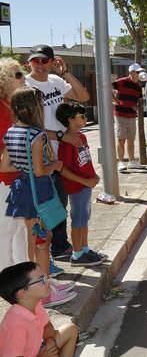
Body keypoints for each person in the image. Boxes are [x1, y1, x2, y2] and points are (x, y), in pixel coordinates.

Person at [0, 88, 76, 307]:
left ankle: (46, 285)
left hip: (22, 190)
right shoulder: (38, 135)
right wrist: (56, 165)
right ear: (34, 109)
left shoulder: (11, 132)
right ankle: (45, 291)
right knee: (43, 242)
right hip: (39, 192)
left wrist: (24, 165)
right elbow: (40, 170)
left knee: (34, 241)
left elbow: (5, 165)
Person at [25, 45, 90, 263]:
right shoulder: (26, 86)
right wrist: (61, 136)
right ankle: (51, 254)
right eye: (36, 61)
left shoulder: (56, 81)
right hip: (42, 153)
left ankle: (60, 247)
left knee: (61, 203)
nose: (40, 65)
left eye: (45, 61)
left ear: (53, 61)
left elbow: (83, 96)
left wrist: (66, 73)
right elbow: (30, 125)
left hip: (60, 153)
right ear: (30, 62)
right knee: (49, 206)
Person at [55, 102, 104, 267]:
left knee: (84, 219)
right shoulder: (67, 142)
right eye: (81, 116)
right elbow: (63, 169)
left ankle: (84, 249)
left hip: (86, 185)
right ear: (70, 120)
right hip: (77, 186)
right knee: (78, 220)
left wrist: (94, 175)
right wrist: (85, 181)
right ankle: (76, 254)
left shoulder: (81, 137)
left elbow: (86, 160)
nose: (85, 118)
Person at [0, 262, 79, 356]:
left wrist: (49, 340)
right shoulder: (15, 325)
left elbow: (47, 326)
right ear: (22, 293)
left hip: (37, 350)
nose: (48, 281)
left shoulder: (35, 304)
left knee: (71, 329)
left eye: (46, 277)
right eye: (42, 280)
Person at [0, 58, 28, 272]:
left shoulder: (14, 107)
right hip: (5, 182)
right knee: (6, 233)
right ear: (4, 80)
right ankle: (8, 281)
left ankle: (24, 280)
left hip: (17, 179)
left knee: (21, 232)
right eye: (18, 74)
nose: (24, 77)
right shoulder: (2, 110)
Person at [111, 64, 144, 172]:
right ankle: (120, 162)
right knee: (121, 139)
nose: (139, 74)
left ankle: (132, 161)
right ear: (131, 73)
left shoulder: (138, 86)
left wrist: (137, 107)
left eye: (139, 72)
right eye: (137, 72)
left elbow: (139, 100)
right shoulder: (122, 81)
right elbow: (108, 87)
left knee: (131, 139)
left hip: (132, 116)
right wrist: (116, 101)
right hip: (120, 115)